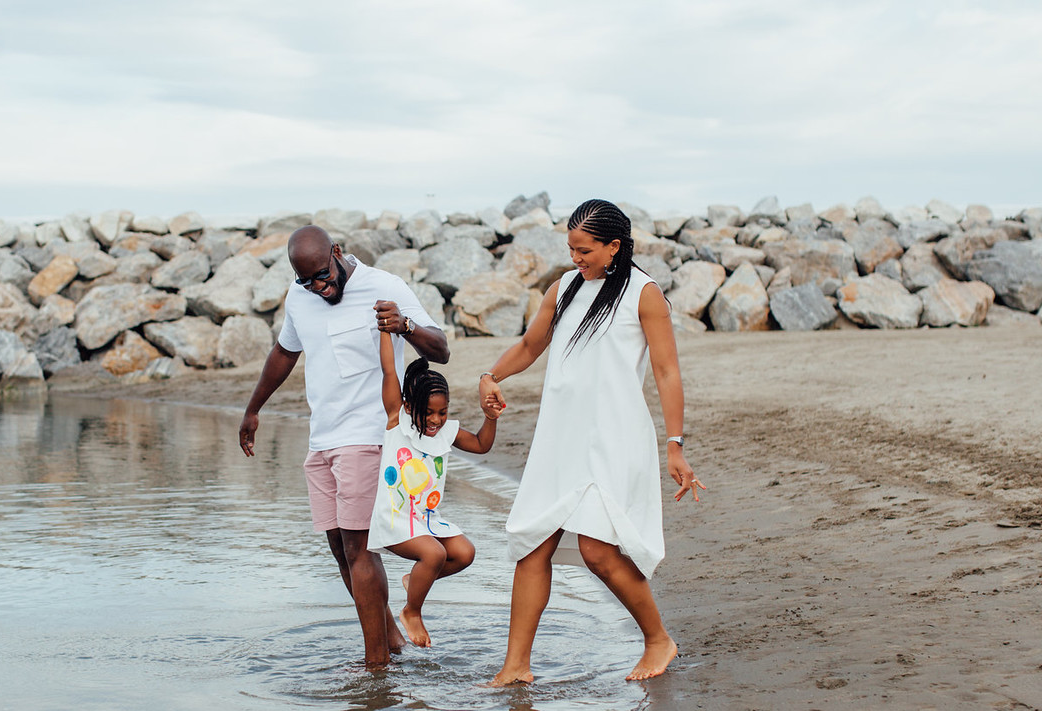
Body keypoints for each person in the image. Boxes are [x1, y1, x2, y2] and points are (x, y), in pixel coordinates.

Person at [478, 199, 705, 686]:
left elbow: (667, 372)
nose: (575, 258)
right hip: (560, 439)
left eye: (584, 250)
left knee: (600, 552)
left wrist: (675, 443)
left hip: (614, 438)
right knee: (533, 546)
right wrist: (491, 375)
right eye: (571, 249)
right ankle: (516, 666)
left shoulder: (644, 294)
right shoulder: (562, 289)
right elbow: (529, 345)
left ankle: (658, 639)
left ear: (613, 246)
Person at [239, 225, 449, 669]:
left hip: (370, 436)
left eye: (324, 275)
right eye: (308, 280)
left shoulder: (384, 286)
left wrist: (405, 325)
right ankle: (388, 636)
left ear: (337, 252)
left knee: (359, 548)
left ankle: (375, 667)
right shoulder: (301, 297)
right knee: (339, 548)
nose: (320, 287)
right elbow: (284, 352)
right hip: (324, 438)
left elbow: (441, 348)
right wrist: (253, 408)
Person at [370, 330, 503, 648]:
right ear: (407, 405)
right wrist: (387, 332)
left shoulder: (447, 432)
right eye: (427, 412)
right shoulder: (396, 422)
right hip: (394, 517)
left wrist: (490, 418)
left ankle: (415, 581)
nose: (435, 419)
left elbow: (483, 445)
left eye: (442, 412)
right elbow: (390, 370)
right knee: (435, 553)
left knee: (464, 552)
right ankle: (412, 611)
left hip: (425, 517)